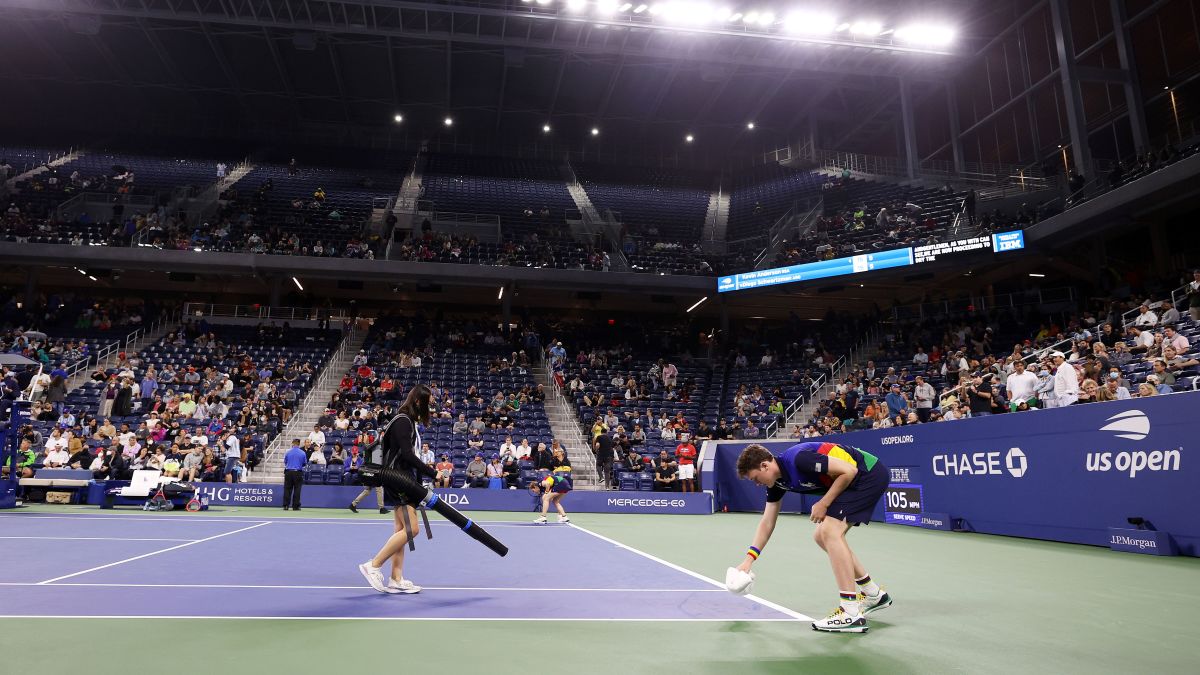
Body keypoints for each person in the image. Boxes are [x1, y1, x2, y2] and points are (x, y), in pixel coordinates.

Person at [734, 442, 892, 634]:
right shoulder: (777, 483)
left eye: (755, 478)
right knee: (821, 536)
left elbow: (848, 471)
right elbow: (767, 522)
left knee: (829, 532)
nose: (757, 483)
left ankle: (850, 612)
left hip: (867, 474)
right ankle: (873, 594)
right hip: (854, 479)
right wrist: (749, 560)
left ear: (765, 466)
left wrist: (824, 503)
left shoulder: (799, 459)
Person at [358, 385, 438, 595]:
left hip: (403, 480)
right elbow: (408, 455)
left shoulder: (406, 421)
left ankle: (396, 578)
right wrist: (432, 473)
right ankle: (373, 565)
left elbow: (409, 457)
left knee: (400, 532)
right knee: (413, 530)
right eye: (427, 403)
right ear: (419, 402)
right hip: (398, 480)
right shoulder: (403, 421)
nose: (429, 407)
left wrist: (419, 484)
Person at [282, 439, 306, 511]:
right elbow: (304, 463)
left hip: (288, 472)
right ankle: (295, 506)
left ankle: (286, 505)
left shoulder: (288, 452)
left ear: (292, 443)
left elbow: (285, 462)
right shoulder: (302, 453)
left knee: (287, 489)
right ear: (299, 444)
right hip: (298, 472)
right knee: (297, 489)